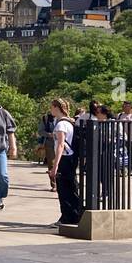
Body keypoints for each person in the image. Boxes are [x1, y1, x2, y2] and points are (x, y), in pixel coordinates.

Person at [49, 98, 81, 229]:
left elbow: (60, 145)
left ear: (56, 107)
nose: (50, 110)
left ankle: (67, 216)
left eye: (51, 107)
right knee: (71, 187)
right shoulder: (70, 122)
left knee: (64, 189)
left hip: (65, 158)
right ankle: (74, 215)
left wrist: (55, 165)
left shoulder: (61, 125)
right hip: (71, 158)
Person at [35, 109, 57, 191]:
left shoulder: (63, 118)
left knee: (61, 164)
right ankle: (54, 184)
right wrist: (49, 135)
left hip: (62, 144)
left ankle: (62, 184)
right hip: (49, 143)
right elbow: (40, 131)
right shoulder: (46, 118)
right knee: (51, 164)